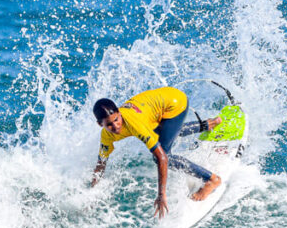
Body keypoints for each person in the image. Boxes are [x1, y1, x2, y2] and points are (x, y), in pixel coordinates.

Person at [90, 86, 222, 219]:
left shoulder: (134, 124)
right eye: (109, 124)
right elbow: (101, 164)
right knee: (168, 133)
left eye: (116, 119)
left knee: (166, 153)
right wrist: (92, 192)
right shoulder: (106, 137)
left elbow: (162, 157)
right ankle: (209, 124)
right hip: (159, 106)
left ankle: (211, 180)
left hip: (175, 103)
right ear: (100, 124)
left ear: (119, 112)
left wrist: (161, 195)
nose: (116, 126)